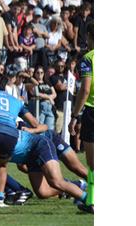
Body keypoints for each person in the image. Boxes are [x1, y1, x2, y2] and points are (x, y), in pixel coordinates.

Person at [0, 73, 47, 207]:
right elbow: (35, 123)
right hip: (11, 135)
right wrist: (33, 130)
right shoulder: (16, 101)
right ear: (5, 87)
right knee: (1, 165)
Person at [68, 23, 94, 213]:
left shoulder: (88, 59)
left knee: (93, 163)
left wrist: (75, 116)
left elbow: (85, 89)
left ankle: (92, 202)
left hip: (94, 111)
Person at [27, 66, 56, 131]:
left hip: (49, 107)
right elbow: (35, 93)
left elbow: (54, 94)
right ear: (35, 74)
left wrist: (48, 97)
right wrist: (48, 97)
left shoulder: (47, 82)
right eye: (38, 73)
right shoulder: (33, 83)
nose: (40, 74)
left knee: (50, 129)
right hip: (39, 106)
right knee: (40, 128)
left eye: (41, 72)